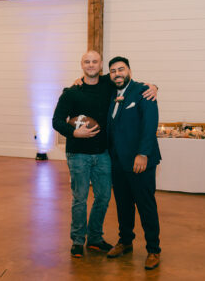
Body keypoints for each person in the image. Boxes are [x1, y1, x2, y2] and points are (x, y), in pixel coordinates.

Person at [52, 51, 158, 258]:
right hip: (79, 154)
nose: (91, 65)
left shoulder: (109, 85)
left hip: (103, 155)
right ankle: (77, 240)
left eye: (95, 62)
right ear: (81, 64)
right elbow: (56, 121)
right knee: (80, 199)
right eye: (86, 62)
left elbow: (134, 88)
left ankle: (95, 238)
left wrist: (154, 87)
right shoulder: (71, 92)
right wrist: (74, 132)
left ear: (100, 65)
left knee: (104, 198)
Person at [106, 56, 162, 270]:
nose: (117, 73)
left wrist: (143, 154)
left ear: (129, 70)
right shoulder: (110, 93)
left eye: (121, 69)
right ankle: (125, 241)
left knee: (145, 205)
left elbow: (150, 124)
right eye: (113, 71)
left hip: (140, 161)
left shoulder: (143, 91)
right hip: (117, 162)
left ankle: (154, 250)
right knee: (123, 204)